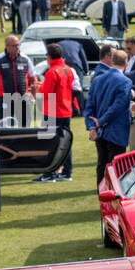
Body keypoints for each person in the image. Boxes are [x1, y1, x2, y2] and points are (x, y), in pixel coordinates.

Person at [86, 48, 134, 183]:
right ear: (127, 63)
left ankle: (102, 196)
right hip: (116, 130)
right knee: (117, 166)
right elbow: (117, 107)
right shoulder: (125, 81)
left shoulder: (97, 79)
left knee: (102, 163)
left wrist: (92, 126)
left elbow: (89, 106)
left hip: (100, 131)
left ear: (112, 61)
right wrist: (99, 122)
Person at [36, 42, 75, 182]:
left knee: (48, 143)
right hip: (66, 111)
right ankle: (66, 172)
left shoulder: (52, 71)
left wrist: (39, 87)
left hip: (53, 112)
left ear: (49, 56)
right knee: (65, 143)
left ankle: (48, 174)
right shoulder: (68, 69)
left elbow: (47, 93)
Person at [0, 34, 37, 123]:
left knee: (25, 127)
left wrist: (33, 97)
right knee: (4, 127)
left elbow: (33, 80)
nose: (17, 47)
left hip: (23, 98)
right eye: (14, 45)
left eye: (18, 45)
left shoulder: (26, 59)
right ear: (7, 46)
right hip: (5, 98)